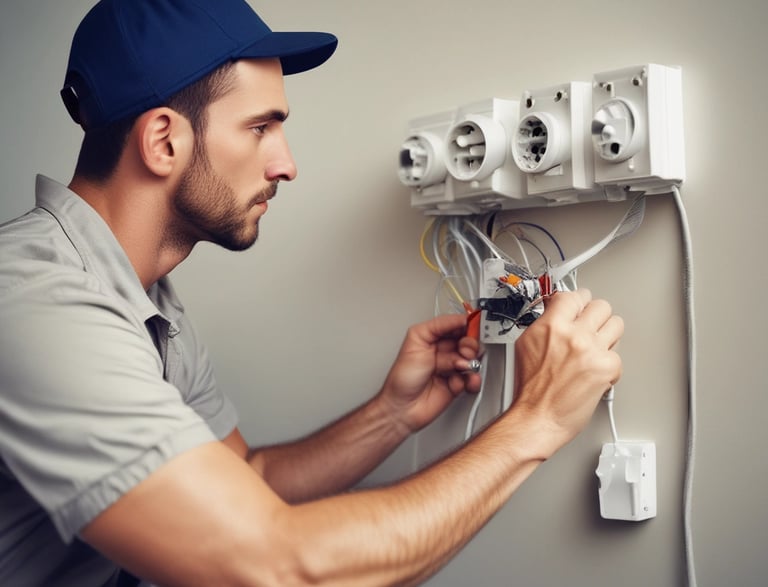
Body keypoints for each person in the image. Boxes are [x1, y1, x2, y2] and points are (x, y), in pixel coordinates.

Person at [0, 1, 624, 585]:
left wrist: (393, 414)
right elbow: (275, 565)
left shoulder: (147, 298)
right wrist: (536, 420)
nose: (286, 164)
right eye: (260, 128)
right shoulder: (38, 303)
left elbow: (249, 479)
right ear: (164, 141)